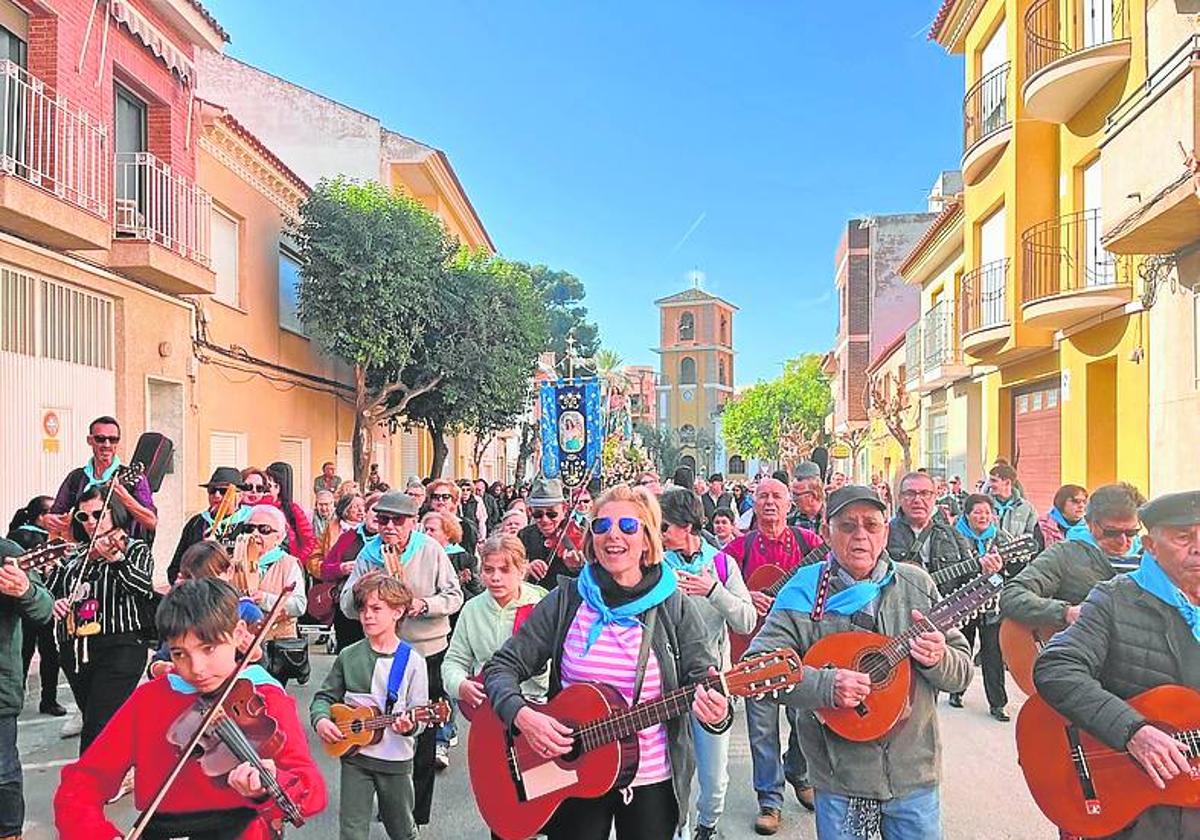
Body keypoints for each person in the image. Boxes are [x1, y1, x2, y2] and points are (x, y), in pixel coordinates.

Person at [483, 483, 730, 840]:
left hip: (650, 779)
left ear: (647, 539)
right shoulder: (566, 600)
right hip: (571, 772)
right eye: (601, 526)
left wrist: (718, 713)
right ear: (591, 538)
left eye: (628, 527)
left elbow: (702, 678)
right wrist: (523, 716)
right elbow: (502, 667)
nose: (613, 535)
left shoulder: (675, 606)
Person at [745, 485, 973, 839]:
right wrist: (824, 685)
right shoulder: (803, 592)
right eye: (848, 526)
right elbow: (756, 668)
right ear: (826, 532)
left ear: (886, 531)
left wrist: (939, 658)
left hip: (913, 776)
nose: (861, 536)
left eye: (871, 525)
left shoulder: (916, 585)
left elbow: (961, 673)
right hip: (840, 778)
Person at [54, 578, 327, 839]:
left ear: (239, 635)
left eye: (208, 648)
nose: (195, 669)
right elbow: (84, 780)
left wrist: (268, 785)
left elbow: (311, 793)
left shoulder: (264, 697)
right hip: (164, 832)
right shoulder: (149, 699)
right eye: (179, 653)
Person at [1033, 490, 1200, 839]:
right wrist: (1132, 731)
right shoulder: (1114, 599)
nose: (1197, 547)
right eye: (1184, 537)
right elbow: (1057, 667)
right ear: (1150, 545)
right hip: (1136, 808)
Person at [339, 490, 462, 828]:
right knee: (381, 729)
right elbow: (348, 606)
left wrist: (424, 605)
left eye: (397, 520)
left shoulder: (431, 550)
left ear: (412, 522)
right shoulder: (369, 553)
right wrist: (360, 589)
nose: (389, 527)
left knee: (421, 733)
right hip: (383, 651)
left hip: (426, 649)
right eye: (382, 520)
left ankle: (415, 815)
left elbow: (454, 596)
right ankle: (390, 803)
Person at [720, 477, 823, 828]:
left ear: (789, 503)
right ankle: (770, 800)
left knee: (805, 719)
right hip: (754, 650)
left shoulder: (808, 542)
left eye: (777, 496)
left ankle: (799, 771)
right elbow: (715, 586)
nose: (769, 502)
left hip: (800, 649)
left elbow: (830, 574)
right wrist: (747, 595)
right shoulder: (738, 548)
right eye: (762, 496)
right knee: (762, 729)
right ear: (753, 502)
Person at [660, 488, 755, 840]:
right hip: (667, 689)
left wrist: (713, 590)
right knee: (671, 773)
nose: (659, 534)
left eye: (665, 526)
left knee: (714, 775)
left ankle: (708, 825)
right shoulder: (654, 565)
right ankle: (679, 830)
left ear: (687, 527)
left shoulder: (721, 563)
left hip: (714, 685)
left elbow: (747, 619)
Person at [312, 572, 426, 840]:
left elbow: (419, 711)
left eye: (377, 609)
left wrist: (411, 725)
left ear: (398, 612)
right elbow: (324, 697)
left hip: (395, 760)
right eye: (363, 608)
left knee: (401, 829)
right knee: (351, 831)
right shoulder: (348, 655)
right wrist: (322, 720)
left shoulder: (412, 661)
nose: (367, 615)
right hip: (355, 758)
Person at [46, 487, 156, 754]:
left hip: (121, 644)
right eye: (84, 517)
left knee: (96, 725)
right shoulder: (74, 555)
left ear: (114, 513)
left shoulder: (134, 547)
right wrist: (55, 602)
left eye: (98, 514)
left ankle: (88, 786)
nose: (92, 522)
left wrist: (116, 559)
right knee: (100, 720)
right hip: (75, 649)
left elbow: (142, 586)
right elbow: (52, 591)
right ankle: (125, 765)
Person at [1000, 483, 1146, 633]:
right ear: (1090, 524)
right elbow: (1013, 594)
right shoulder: (1066, 553)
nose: (1122, 541)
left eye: (1131, 532)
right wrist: (1066, 612)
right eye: (1111, 532)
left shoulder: (1152, 557)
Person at [0, 538, 53, 838]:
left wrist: (26, 591)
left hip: (0, 688)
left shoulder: (8, 555)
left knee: (3, 772)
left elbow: (44, 610)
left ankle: (9, 833)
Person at [46, 416, 157, 542]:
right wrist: (50, 521)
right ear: (90, 440)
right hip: (81, 553)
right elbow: (56, 513)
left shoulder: (134, 478)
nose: (107, 444)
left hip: (120, 554)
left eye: (113, 439)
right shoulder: (76, 477)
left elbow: (151, 522)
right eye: (100, 439)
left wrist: (124, 496)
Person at [953, 494, 1014, 720]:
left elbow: (1016, 568)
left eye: (987, 513)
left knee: (993, 652)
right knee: (962, 648)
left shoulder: (1001, 538)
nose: (983, 517)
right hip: (962, 604)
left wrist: (1001, 568)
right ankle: (956, 690)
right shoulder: (954, 536)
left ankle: (998, 703)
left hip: (992, 606)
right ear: (967, 514)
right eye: (977, 512)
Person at [236, 505, 308, 687]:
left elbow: (299, 605)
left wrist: (265, 599)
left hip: (275, 647)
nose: (255, 534)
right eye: (249, 528)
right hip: (241, 647)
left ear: (278, 537)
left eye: (264, 530)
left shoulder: (288, 563)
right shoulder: (234, 562)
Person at [7, 496, 65, 716]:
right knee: (24, 651)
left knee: (50, 653)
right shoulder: (19, 537)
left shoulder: (53, 539)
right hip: (22, 605)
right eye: (53, 512)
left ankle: (48, 699)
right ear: (41, 516)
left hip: (43, 601)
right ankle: (17, 696)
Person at [168, 467, 249, 585]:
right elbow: (176, 566)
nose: (216, 495)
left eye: (223, 491)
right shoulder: (197, 522)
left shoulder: (250, 522)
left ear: (240, 495)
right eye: (212, 490)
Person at [519, 477, 584, 584]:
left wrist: (577, 568)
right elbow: (512, 568)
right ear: (530, 511)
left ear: (564, 509)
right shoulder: (524, 535)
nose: (545, 520)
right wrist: (526, 568)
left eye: (552, 514)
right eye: (538, 514)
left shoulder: (582, 535)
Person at [265, 462, 317, 564]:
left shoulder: (292, 510)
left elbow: (309, 540)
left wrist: (297, 560)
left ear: (278, 487)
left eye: (269, 486)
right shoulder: (256, 509)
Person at [987, 463, 1040, 544]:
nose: (989, 485)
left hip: (1016, 554)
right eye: (989, 480)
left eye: (994, 481)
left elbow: (1033, 534)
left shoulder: (1027, 508)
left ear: (1007, 483)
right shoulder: (984, 505)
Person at [427, 479, 478, 557]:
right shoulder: (424, 524)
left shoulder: (466, 526)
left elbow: (469, 558)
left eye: (445, 497)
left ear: (455, 500)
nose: (440, 500)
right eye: (435, 496)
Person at [1036, 484, 1088, 549]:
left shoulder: (1091, 527)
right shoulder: (1043, 526)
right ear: (1061, 502)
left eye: (1084, 502)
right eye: (1076, 501)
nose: (1081, 505)